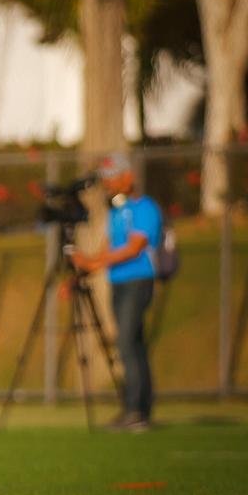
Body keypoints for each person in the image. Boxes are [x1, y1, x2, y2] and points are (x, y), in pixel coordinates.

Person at [71, 152, 163, 433]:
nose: (109, 184)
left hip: (139, 280)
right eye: (106, 179)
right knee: (129, 344)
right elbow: (110, 247)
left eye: (113, 177)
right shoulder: (116, 212)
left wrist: (95, 262)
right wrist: (88, 265)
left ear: (128, 177)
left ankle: (137, 409)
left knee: (126, 341)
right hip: (118, 282)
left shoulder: (145, 208)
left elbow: (134, 248)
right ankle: (134, 409)